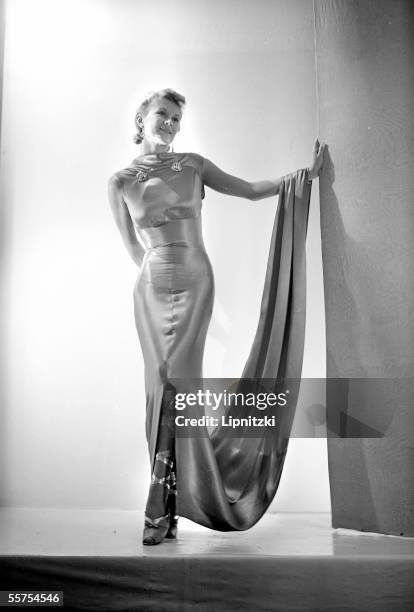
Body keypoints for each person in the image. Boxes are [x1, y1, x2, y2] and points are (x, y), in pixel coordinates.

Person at [108, 88, 326, 545]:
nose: (170, 124)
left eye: (176, 119)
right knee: (159, 386)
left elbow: (248, 191)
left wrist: (300, 178)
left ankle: (161, 507)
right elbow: (134, 251)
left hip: (195, 279)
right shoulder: (120, 182)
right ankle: (166, 504)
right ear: (142, 118)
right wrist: (155, 275)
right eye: (163, 115)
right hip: (150, 287)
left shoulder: (194, 166)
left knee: (179, 384)